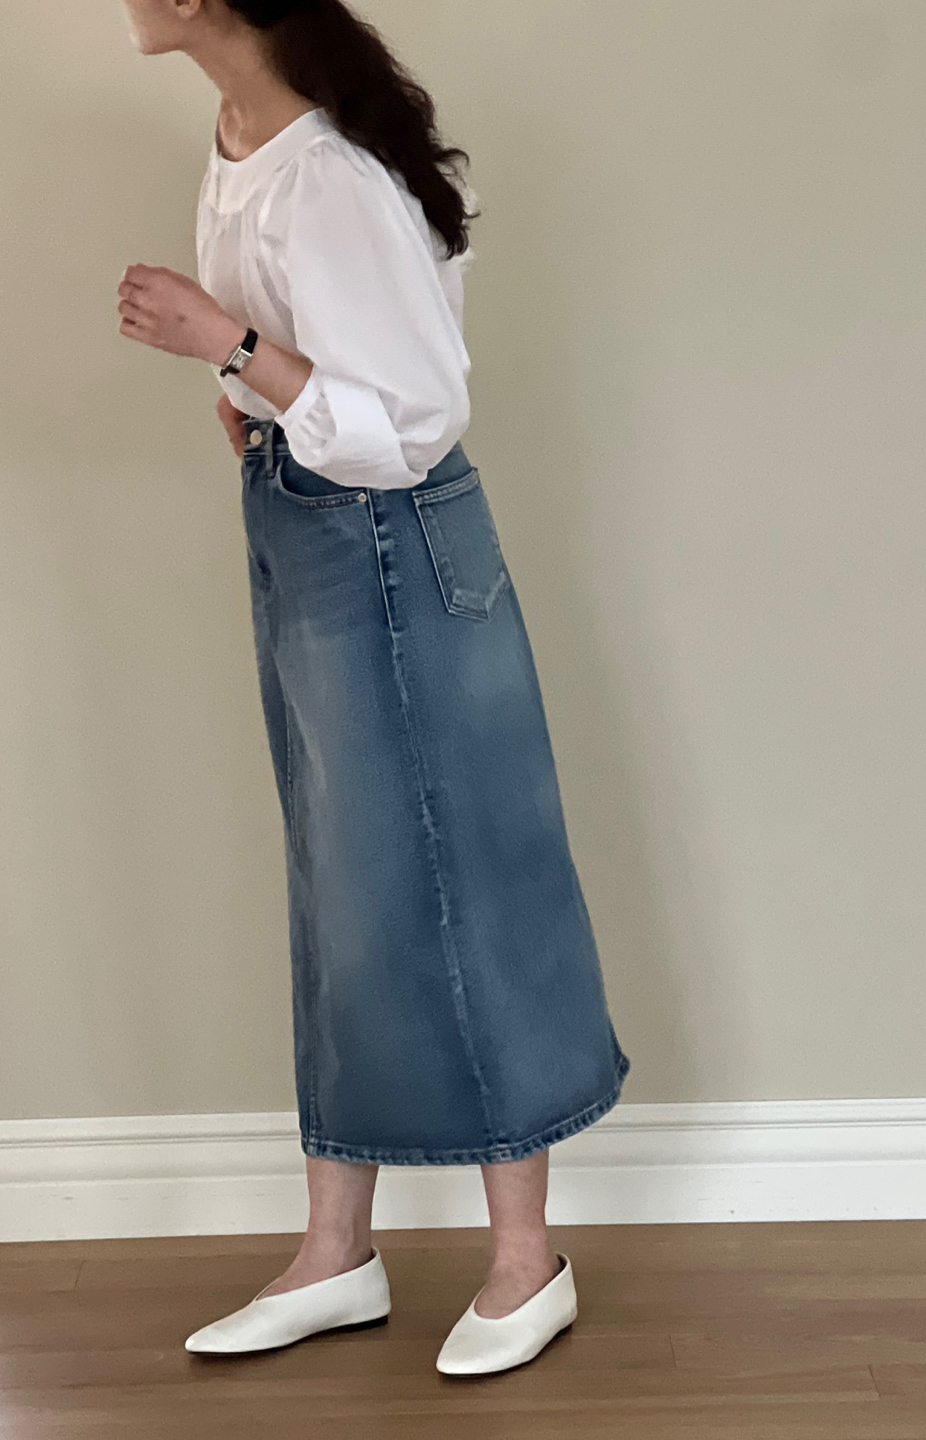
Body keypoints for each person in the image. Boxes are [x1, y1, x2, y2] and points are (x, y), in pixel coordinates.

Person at [117, 0, 631, 1377]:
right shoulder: (243, 139)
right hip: (308, 527)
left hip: (391, 541)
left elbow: (410, 420)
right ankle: (336, 1254)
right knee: (342, 887)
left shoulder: (329, 175)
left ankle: (526, 1262)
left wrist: (231, 345)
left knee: (467, 881)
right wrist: (255, 393)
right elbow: (331, 377)